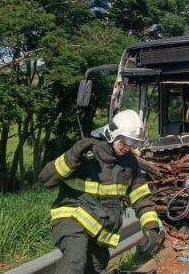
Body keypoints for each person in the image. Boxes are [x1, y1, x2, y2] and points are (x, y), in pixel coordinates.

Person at [39, 109, 165, 274]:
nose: (128, 147)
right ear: (113, 134)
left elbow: (141, 197)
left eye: (133, 142)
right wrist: (71, 156)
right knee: (75, 260)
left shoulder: (130, 163)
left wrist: (151, 227)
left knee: (94, 268)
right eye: (125, 140)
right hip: (72, 218)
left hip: (99, 230)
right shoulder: (86, 153)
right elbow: (45, 179)